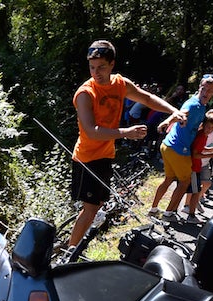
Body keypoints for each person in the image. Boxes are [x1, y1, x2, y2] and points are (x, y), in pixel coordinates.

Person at [68, 40, 186, 247]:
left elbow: (147, 98)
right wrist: (126, 133)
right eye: (92, 67)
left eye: (101, 67)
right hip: (86, 157)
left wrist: (173, 110)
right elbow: (91, 132)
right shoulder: (85, 94)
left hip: (105, 155)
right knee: (89, 210)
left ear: (112, 64)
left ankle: (76, 244)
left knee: (95, 207)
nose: (96, 73)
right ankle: (69, 254)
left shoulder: (121, 84)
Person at [148, 73, 213, 222]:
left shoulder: (200, 105)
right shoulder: (193, 105)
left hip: (167, 145)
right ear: (199, 87)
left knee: (168, 179)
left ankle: (153, 209)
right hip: (179, 149)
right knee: (185, 182)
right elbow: (181, 114)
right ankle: (168, 214)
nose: (206, 93)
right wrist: (167, 122)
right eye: (204, 89)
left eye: (210, 90)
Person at [181, 111, 213, 223]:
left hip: (195, 167)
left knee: (193, 190)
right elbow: (195, 154)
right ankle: (191, 215)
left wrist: (210, 150)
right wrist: (212, 155)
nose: (210, 130)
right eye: (208, 127)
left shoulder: (204, 135)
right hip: (193, 167)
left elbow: (200, 149)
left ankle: (185, 212)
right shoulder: (201, 136)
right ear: (203, 124)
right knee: (195, 192)